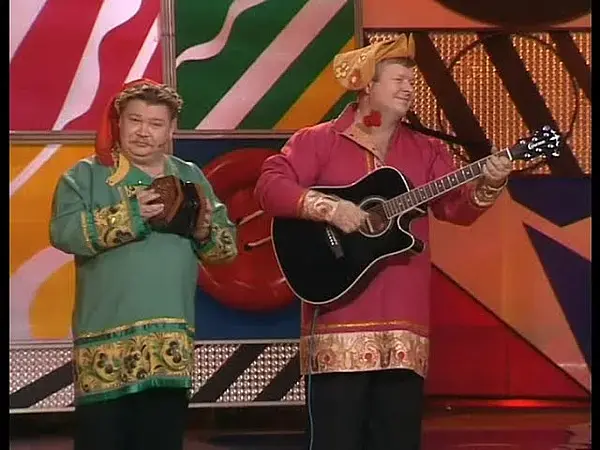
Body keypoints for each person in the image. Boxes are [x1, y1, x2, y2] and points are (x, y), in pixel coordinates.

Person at [254, 35, 512, 450]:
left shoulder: (427, 149)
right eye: (398, 79)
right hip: (338, 318)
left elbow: (456, 210)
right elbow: (269, 186)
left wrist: (490, 183)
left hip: (405, 323)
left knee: (397, 438)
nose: (409, 87)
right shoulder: (318, 140)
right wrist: (328, 208)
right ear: (366, 85)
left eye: (412, 80)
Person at [49, 79, 237, 450]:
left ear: (170, 129)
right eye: (135, 120)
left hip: (171, 344)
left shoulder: (190, 176)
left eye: (155, 123)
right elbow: (63, 232)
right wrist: (131, 214)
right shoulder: (84, 176)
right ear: (119, 122)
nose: (143, 131)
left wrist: (204, 232)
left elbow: (226, 249)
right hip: (105, 343)